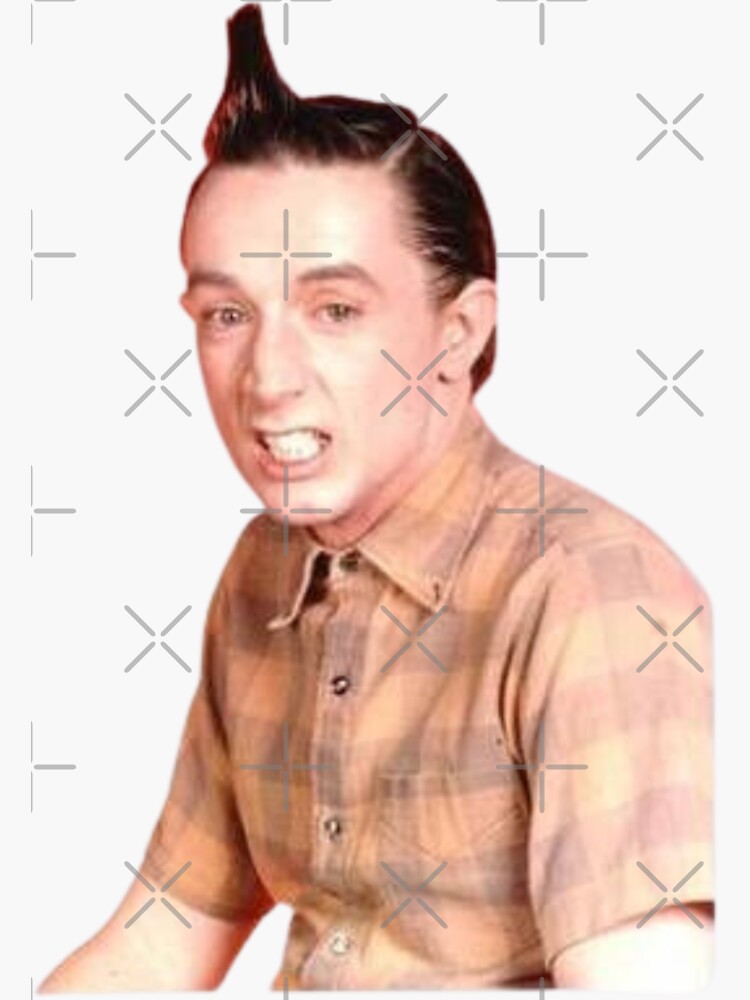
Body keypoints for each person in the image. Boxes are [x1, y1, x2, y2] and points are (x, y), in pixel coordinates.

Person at [39, 3, 713, 991]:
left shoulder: (594, 593)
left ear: (460, 332)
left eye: (335, 309)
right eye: (226, 314)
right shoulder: (266, 568)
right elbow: (165, 931)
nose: (268, 376)